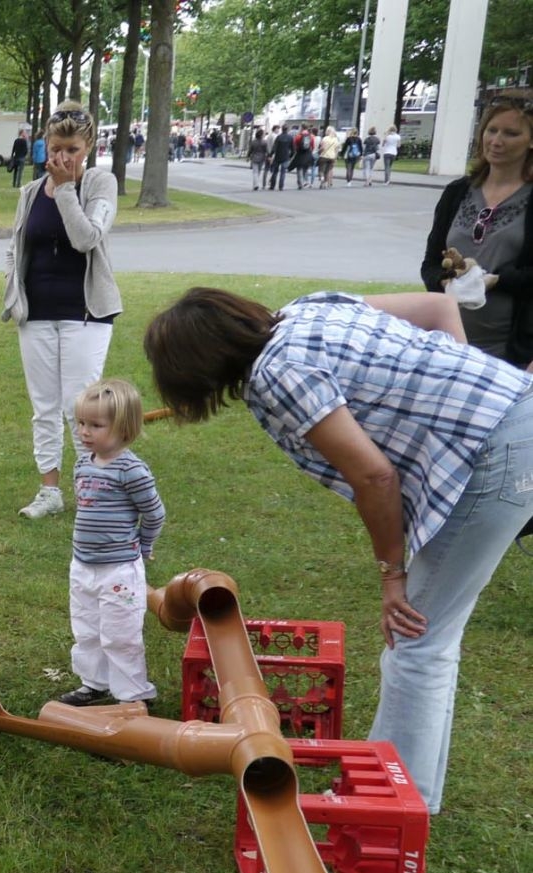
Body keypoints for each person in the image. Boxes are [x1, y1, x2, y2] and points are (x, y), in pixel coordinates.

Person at [143, 287, 533, 815]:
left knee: (417, 636)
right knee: (431, 635)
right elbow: (441, 308)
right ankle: (408, 791)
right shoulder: (309, 307)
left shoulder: (276, 373)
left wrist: (391, 575)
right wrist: (462, 397)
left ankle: (393, 801)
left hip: (500, 453)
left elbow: (374, 476)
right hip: (518, 404)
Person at [1, 101, 122, 519]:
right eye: (56, 148)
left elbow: (86, 237)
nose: (62, 158)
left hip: (85, 312)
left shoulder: (100, 184)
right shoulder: (31, 191)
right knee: (44, 406)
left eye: (71, 149)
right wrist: (11, 289)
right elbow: (17, 245)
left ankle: (91, 487)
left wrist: (67, 189)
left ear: (86, 147)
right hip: (36, 312)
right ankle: (49, 491)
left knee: (81, 405)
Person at [53, 378, 165, 708]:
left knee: (120, 633)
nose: (85, 431)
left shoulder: (132, 470)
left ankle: (132, 695)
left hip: (118, 570)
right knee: (86, 627)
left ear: (124, 427)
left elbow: (154, 513)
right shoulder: (83, 464)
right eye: (81, 423)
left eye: (95, 425)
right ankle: (94, 683)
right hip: (83, 565)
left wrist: (143, 549)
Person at [420, 98, 533, 368]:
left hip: (512, 351)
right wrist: (446, 281)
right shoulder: (457, 192)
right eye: (491, 130)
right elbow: (430, 264)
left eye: (511, 133)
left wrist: (497, 280)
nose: (496, 140)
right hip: (449, 344)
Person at [268, 124, 293, 192]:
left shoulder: (278, 137)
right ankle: (281, 186)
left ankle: (272, 186)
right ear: (287, 130)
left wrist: (270, 155)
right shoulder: (290, 138)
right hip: (285, 157)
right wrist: (290, 156)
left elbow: (274, 147)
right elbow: (293, 149)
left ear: (282, 129)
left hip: (278, 157)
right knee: (283, 172)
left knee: (275, 172)